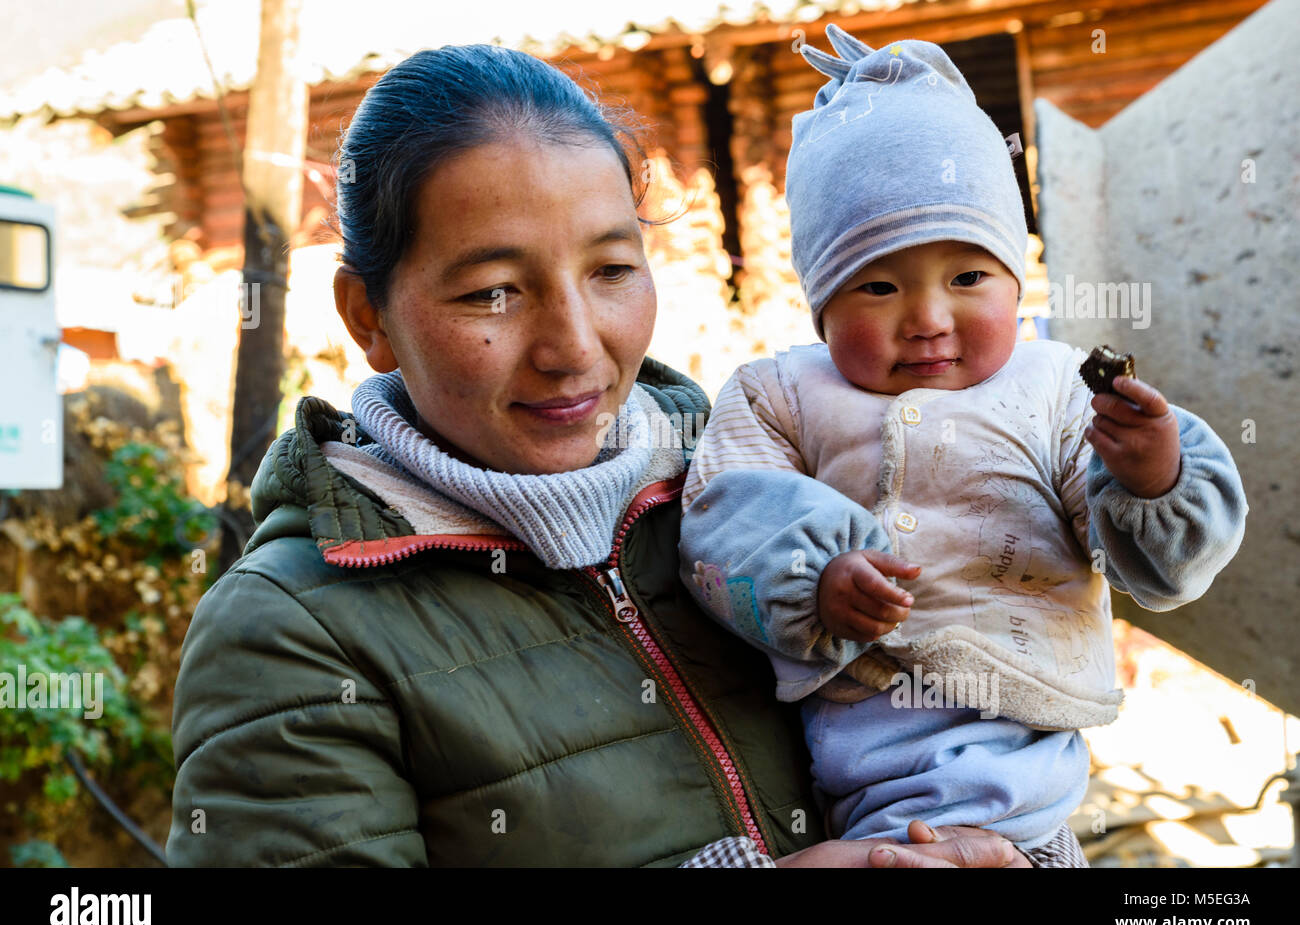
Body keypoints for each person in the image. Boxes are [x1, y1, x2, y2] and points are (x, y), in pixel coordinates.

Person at [165, 41, 1038, 867]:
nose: (574, 347)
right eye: (493, 292)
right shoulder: (292, 636)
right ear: (368, 317)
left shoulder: (748, 489)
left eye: (612, 270)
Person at [678, 25, 1248, 866]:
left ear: (1017, 277)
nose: (928, 319)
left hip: (1028, 755)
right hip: (872, 752)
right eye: (877, 285)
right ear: (822, 302)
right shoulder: (780, 394)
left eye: (968, 277)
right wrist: (815, 582)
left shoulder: (1054, 388)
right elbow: (720, 522)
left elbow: (1139, 559)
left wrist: (1152, 478)